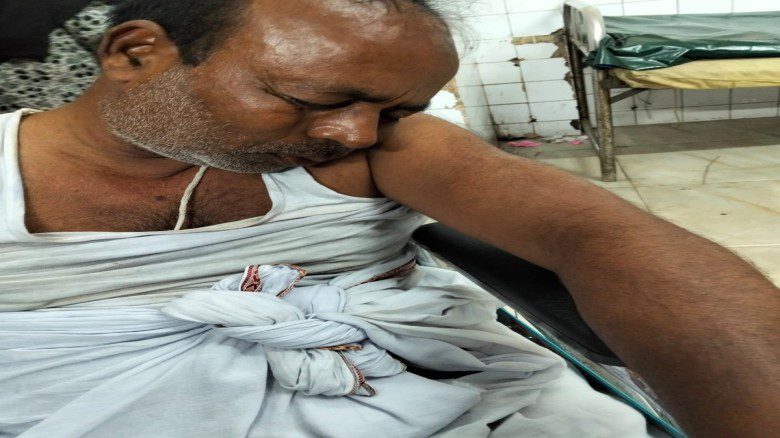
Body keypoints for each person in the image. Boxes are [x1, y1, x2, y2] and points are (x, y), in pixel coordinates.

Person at [0, 0, 777, 437]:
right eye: (318, 98)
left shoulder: (383, 148)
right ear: (136, 53)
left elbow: (600, 236)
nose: (357, 133)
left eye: (397, 108)